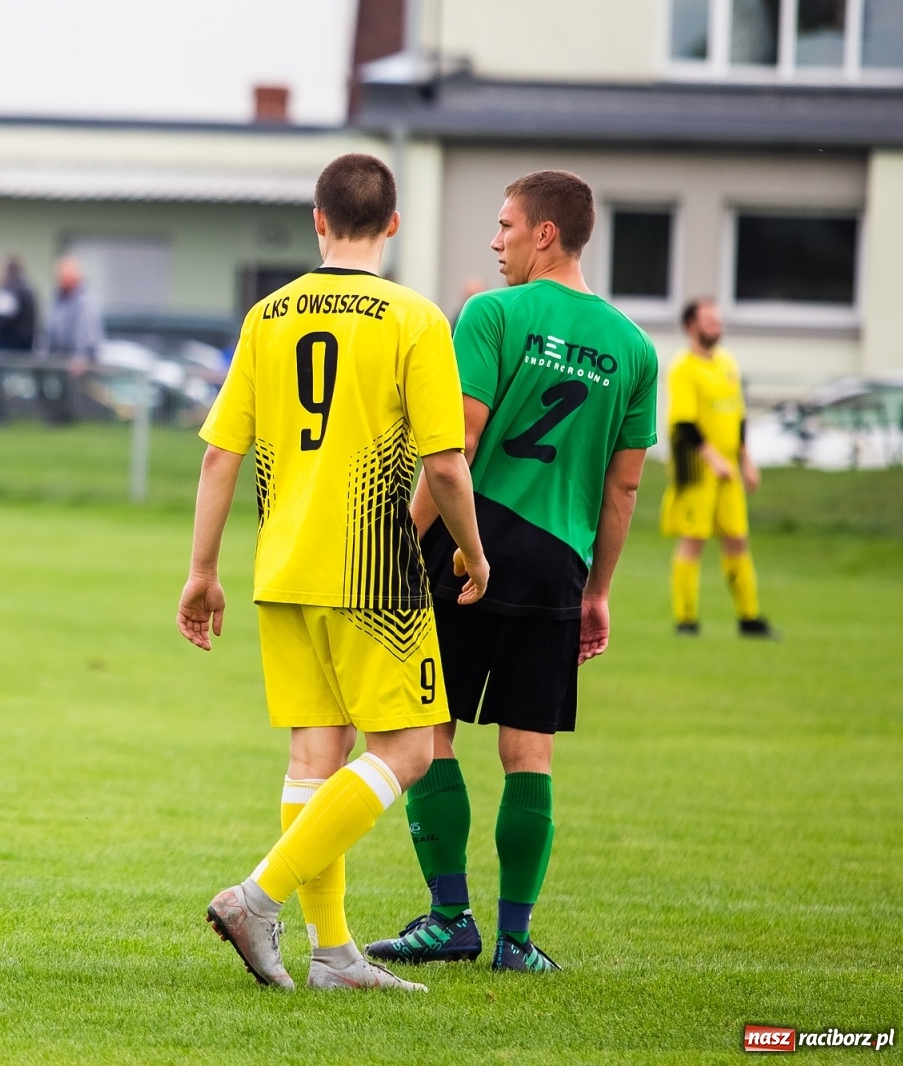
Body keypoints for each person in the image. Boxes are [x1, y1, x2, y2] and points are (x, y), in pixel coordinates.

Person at [179, 152, 489, 992]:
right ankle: (257, 897)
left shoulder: (267, 315)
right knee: (412, 749)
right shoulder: (415, 318)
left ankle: (334, 955)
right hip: (374, 573)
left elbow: (217, 459)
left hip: (282, 566)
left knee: (316, 755)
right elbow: (448, 464)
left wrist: (201, 571)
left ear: (318, 219)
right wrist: (471, 547)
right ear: (393, 223)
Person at [366, 170, 657, 973]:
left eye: (504, 226)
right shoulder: (634, 349)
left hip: (471, 541)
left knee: (430, 730)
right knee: (530, 753)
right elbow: (623, 486)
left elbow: (452, 446)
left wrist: (400, 543)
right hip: (559, 561)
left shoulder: (492, 315)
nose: (494, 242)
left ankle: (450, 917)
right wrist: (596, 590)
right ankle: (516, 940)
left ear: (545, 235)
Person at [662, 298, 772, 637]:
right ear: (690, 326)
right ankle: (686, 620)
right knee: (693, 539)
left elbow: (738, 417)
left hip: (729, 469)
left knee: (737, 539)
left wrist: (745, 461)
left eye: (718, 320)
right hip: (697, 467)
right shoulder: (683, 367)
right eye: (709, 320)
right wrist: (713, 459)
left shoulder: (727, 363)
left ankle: (749, 617)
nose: (716, 325)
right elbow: (684, 423)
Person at [35, 256, 102, 424]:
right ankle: (53, 416)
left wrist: (80, 358)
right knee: (38, 371)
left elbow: (85, 332)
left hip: (79, 355)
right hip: (57, 353)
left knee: (67, 378)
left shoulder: (86, 301)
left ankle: (67, 418)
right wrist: (41, 353)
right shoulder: (55, 299)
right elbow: (48, 329)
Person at [0, 255, 36, 423]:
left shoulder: (10, 291)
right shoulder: (25, 289)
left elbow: (1, 322)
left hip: (12, 348)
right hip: (19, 346)